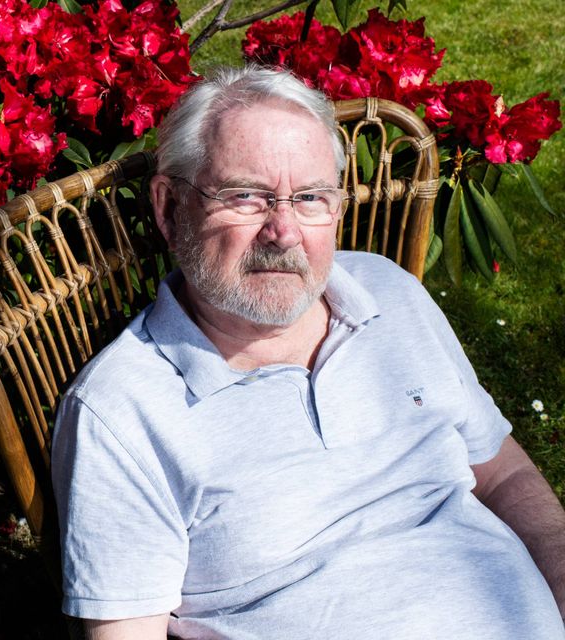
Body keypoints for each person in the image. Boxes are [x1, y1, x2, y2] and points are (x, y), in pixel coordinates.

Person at [50, 65, 565, 639]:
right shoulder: (121, 409)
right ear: (170, 208)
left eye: (311, 198)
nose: (285, 230)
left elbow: (502, 474)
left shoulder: (389, 292)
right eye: (247, 196)